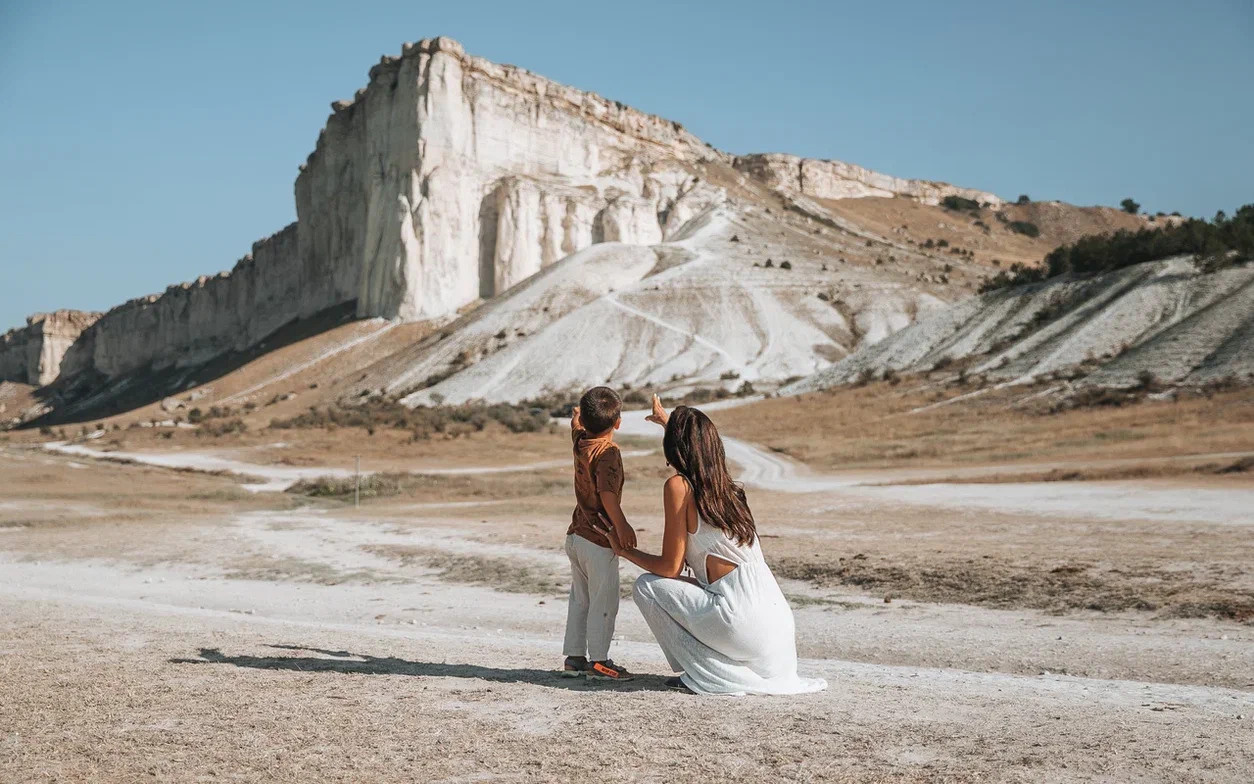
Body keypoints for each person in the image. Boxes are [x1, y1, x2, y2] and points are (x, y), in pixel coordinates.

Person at [601, 395, 826, 696]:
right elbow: (696, 449)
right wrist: (669, 424)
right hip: (778, 636)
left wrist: (624, 550)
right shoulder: (729, 490)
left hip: (740, 624)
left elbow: (670, 568)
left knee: (645, 587)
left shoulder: (679, 486)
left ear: (675, 448)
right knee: (696, 591)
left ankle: (701, 672)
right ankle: (724, 667)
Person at [560, 386, 637, 681]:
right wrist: (622, 526)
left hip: (576, 535)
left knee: (580, 599)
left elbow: (576, 424)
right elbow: (607, 494)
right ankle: (601, 662)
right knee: (604, 601)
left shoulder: (580, 442)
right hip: (598, 539)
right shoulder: (609, 453)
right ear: (617, 422)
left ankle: (574, 658)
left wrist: (578, 416)